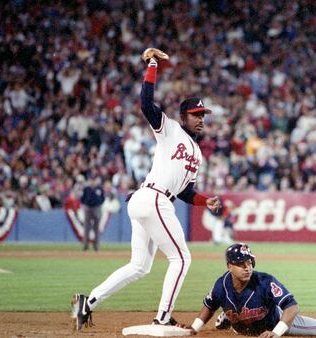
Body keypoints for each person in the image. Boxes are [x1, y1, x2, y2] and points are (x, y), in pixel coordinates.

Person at [71, 48, 221, 330]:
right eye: (196, 114)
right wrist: (152, 64)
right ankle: (163, 316)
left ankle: (87, 302)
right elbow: (146, 104)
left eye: (203, 115)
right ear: (183, 116)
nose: (201, 118)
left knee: (140, 266)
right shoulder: (171, 129)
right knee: (181, 258)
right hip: (152, 199)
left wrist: (205, 201)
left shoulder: (198, 153)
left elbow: (186, 192)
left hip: (148, 199)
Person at [188, 243, 316, 337]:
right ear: (229, 266)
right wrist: (194, 328)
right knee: (237, 316)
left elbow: (291, 307)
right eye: (240, 264)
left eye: (249, 262)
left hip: (277, 321)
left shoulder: (264, 281)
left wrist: (277, 331)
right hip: (247, 326)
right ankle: (231, 316)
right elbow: (209, 305)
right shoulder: (221, 285)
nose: (247, 267)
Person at [80, 176, 105, 251]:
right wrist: (86, 204)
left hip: (96, 208)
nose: (93, 182)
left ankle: (96, 246)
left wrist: (99, 203)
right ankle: (85, 245)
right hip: (88, 208)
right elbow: (82, 198)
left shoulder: (99, 188)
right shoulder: (87, 189)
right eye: (91, 180)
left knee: (96, 228)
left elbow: (103, 198)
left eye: (94, 180)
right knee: (86, 228)